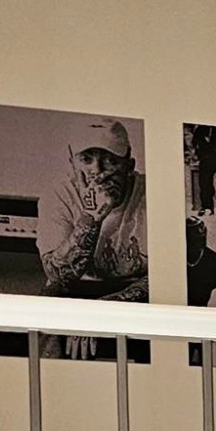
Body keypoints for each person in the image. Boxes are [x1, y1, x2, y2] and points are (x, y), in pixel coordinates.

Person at [37, 118, 147, 300]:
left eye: (110, 160)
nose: (97, 170)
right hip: (78, 287)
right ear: (73, 164)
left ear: (129, 166)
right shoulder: (58, 195)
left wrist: (116, 303)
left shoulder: (151, 194)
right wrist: (92, 217)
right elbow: (58, 277)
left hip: (135, 290)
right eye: (86, 160)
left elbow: (171, 274)